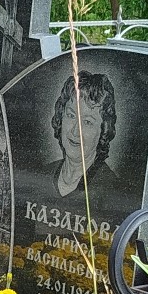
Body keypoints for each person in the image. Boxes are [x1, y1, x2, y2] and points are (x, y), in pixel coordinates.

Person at [52, 67, 118, 199]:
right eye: (71, 115)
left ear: (103, 130)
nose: (75, 131)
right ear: (61, 116)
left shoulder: (112, 190)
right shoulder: (42, 173)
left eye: (87, 122)